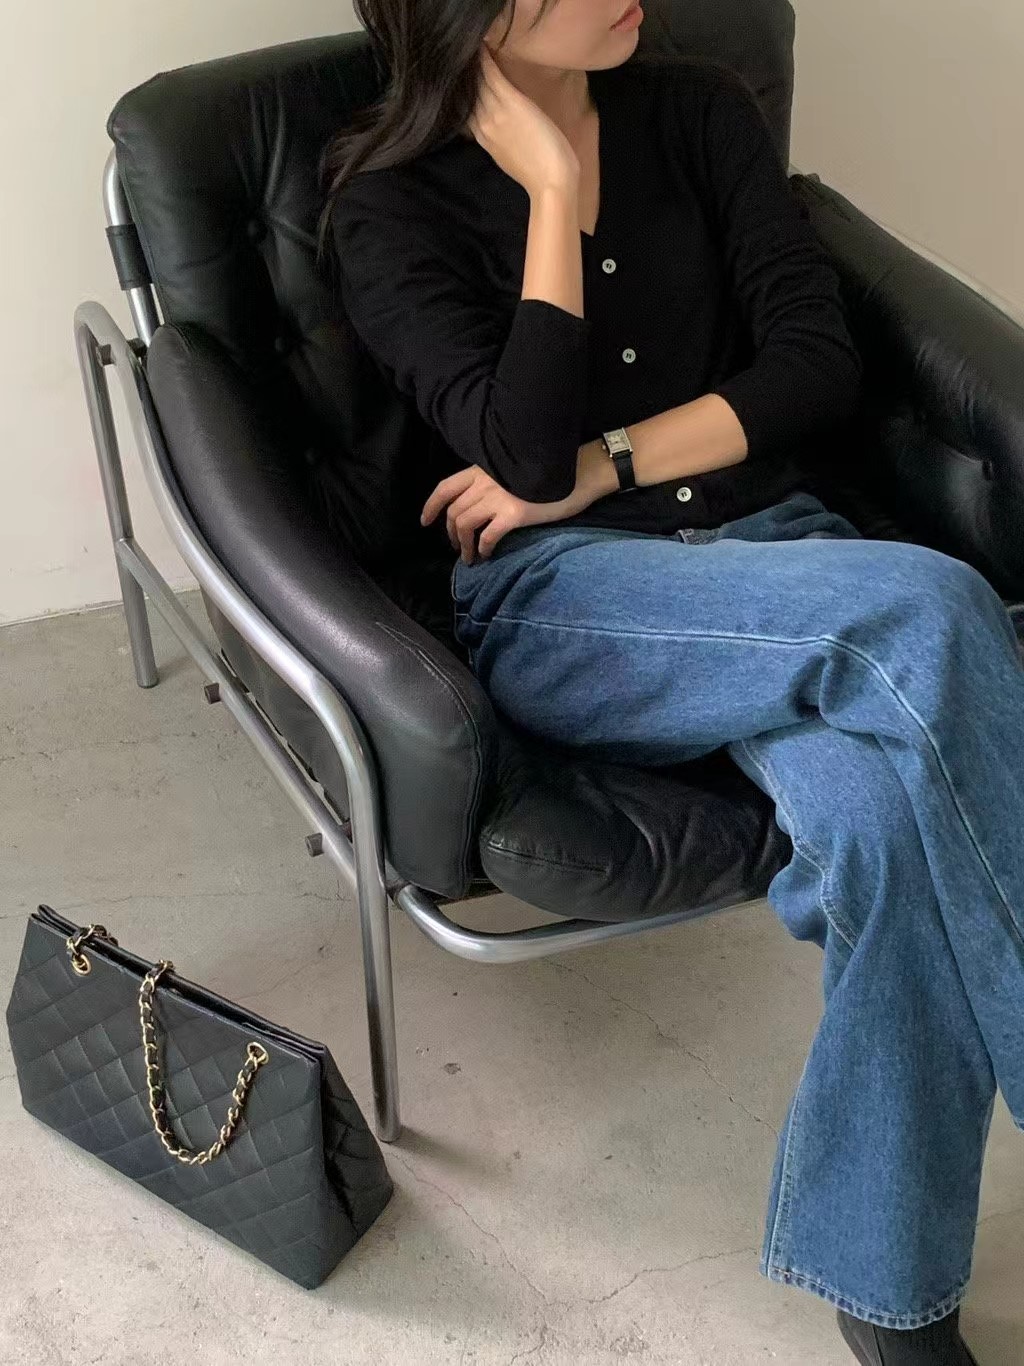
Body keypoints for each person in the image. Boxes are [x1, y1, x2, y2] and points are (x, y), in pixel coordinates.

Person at [318, 2, 1024, 1360]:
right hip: (572, 604)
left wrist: (611, 460)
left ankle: (891, 1299)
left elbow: (814, 361)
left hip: (787, 562)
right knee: (937, 607)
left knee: (881, 824)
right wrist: (552, 191)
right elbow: (522, 456)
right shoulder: (388, 205)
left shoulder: (700, 111)